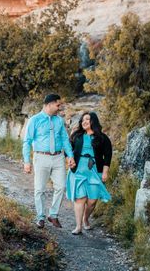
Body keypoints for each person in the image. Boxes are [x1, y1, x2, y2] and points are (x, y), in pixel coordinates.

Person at [22, 94, 75, 228]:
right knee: (39, 189)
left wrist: (70, 155)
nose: (59, 108)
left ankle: (53, 214)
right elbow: (27, 141)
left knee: (61, 186)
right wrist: (27, 161)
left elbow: (64, 139)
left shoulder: (58, 121)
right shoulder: (35, 120)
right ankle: (40, 217)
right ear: (49, 104)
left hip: (58, 157)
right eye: (58, 105)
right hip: (41, 157)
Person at [66, 112, 113, 235]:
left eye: (87, 119)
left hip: (94, 170)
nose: (84, 122)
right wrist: (69, 159)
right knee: (80, 198)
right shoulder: (77, 136)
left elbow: (107, 156)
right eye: (83, 120)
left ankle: (85, 218)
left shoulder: (102, 138)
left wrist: (105, 172)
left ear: (94, 121)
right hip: (78, 169)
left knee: (92, 201)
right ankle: (78, 226)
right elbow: (68, 150)